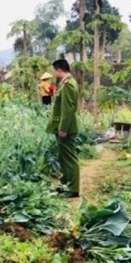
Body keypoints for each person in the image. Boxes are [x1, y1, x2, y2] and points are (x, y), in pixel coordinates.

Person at [45, 58, 79, 197]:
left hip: (67, 129)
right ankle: (66, 184)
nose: (54, 74)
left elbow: (67, 109)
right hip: (62, 128)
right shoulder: (66, 84)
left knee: (69, 159)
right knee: (63, 158)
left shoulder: (68, 85)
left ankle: (73, 189)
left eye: (55, 71)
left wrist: (63, 128)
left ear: (59, 70)